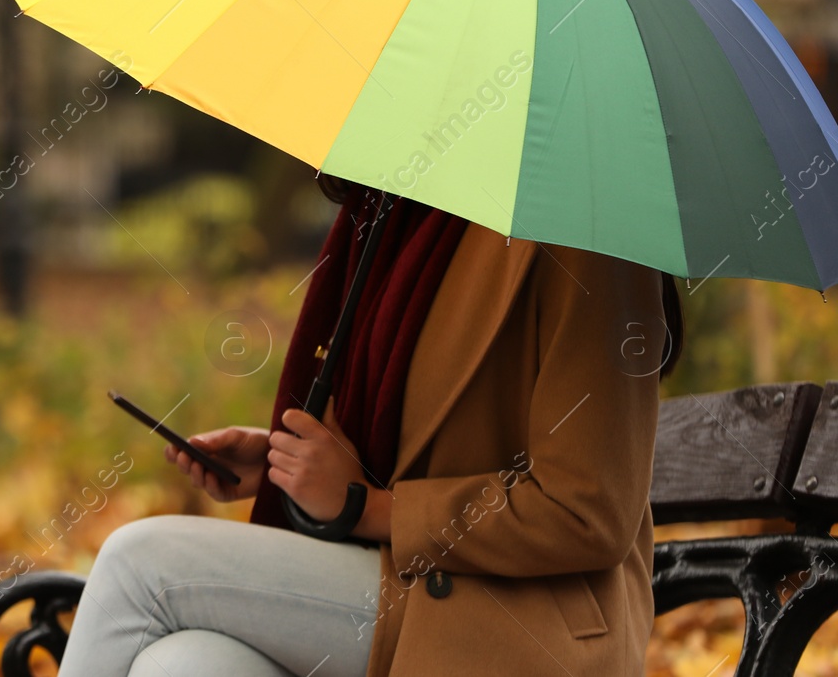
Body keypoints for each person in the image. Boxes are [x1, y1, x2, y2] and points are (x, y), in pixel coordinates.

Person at [55, 176, 682, 677]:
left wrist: (368, 506)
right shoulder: (398, 213)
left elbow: (587, 511)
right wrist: (285, 465)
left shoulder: (591, 242)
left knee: (141, 563)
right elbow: (412, 430)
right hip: (395, 591)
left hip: (517, 624)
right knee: (183, 667)